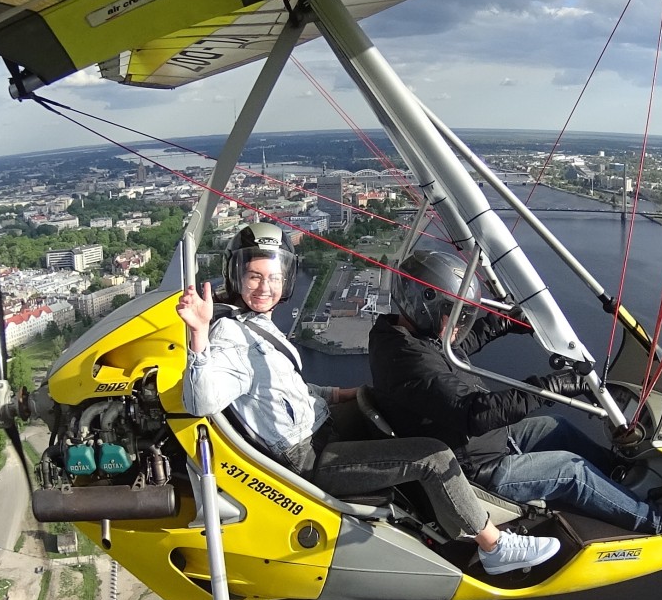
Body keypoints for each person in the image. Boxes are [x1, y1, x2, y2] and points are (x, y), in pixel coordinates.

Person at [178, 222, 559, 576]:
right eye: (254, 277)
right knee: (432, 455)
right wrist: (198, 336)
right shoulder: (229, 335)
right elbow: (201, 400)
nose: (265, 287)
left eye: (273, 277)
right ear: (236, 277)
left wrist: (346, 393)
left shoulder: (254, 323)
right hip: (311, 459)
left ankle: (454, 501)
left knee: (387, 402)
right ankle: (494, 547)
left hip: (322, 427)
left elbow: (282, 391)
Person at [369, 249, 662, 534]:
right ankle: (653, 519)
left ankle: (618, 479)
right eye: (455, 312)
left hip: (484, 444)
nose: (461, 321)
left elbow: (453, 346)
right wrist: (550, 387)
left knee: (558, 428)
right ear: (425, 305)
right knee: (571, 472)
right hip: (476, 471)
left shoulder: (400, 335)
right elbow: (476, 413)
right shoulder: (409, 361)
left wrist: (502, 323)